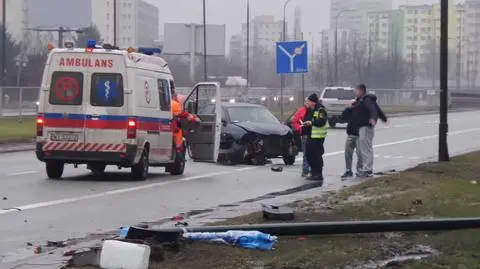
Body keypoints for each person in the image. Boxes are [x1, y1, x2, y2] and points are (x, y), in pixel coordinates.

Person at [352, 84, 387, 178]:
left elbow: (373, 111)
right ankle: (365, 168)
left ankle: (367, 170)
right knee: (362, 149)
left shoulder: (366, 100)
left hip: (366, 127)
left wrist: (373, 119)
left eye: (356, 90)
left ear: (361, 91)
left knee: (366, 148)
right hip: (361, 127)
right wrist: (383, 118)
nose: (355, 92)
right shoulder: (361, 100)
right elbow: (378, 110)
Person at [304, 94, 328, 183]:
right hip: (311, 135)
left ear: (313, 102)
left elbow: (321, 121)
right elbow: (307, 119)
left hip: (318, 137)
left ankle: (318, 174)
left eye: (308, 102)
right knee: (308, 154)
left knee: (316, 156)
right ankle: (313, 173)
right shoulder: (310, 110)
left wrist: (311, 123)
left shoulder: (321, 110)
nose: (307, 103)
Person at [291, 96, 318, 177]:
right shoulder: (301, 111)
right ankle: (305, 171)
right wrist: (300, 129)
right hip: (305, 135)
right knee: (306, 154)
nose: (307, 103)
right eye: (306, 102)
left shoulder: (316, 110)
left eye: (308, 102)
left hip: (314, 135)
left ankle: (313, 170)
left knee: (313, 154)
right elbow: (294, 121)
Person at [171, 88, 200, 155]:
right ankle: (178, 154)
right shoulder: (175, 104)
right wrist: (194, 118)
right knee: (178, 137)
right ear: (174, 96)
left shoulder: (167, 102)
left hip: (167, 126)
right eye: (176, 96)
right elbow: (182, 114)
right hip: (174, 127)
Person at [339, 100, 362, 179]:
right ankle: (348, 170)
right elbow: (342, 118)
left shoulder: (363, 111)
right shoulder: (351, 110)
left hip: (360, 136)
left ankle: (360, 170)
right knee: (348, 154)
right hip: (350, 134)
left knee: (360, 154)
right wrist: (348, 108)